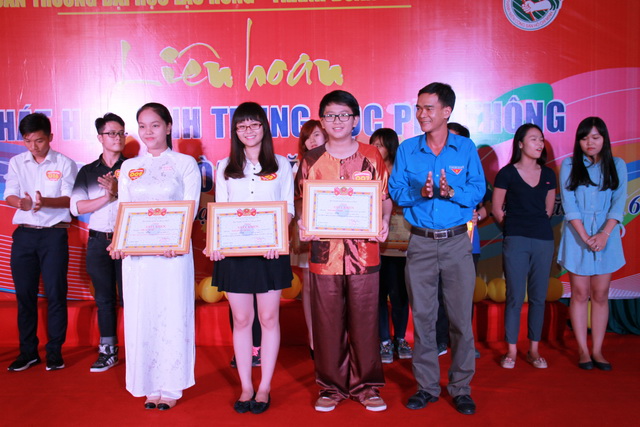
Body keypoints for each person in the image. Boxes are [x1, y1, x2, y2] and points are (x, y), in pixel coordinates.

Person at [388, 83, 484, 415]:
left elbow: (477, 190)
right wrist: (421, 191)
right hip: (421, 243)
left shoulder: (465, 148)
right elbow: (397, 191)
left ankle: (461, 388)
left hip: (457, 242)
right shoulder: (407, 149)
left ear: (446, 111)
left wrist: (451, 190)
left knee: (460, 319)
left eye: (428, 108)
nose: (421, 114)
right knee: (424, 318)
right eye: (418, 108)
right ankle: (427, 387)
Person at [295, 90, 392, 413]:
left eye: (344, 115)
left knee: (365, 321)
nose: (337, 121)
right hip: (325, 254)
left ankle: (366, 386)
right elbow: (301, 202)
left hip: (365, 252)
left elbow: (384, 199)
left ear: (355, 120)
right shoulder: (311, 160)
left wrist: (384, 221)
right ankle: (330, 387)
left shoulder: (371, 156)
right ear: (322, 121)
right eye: (330, 115)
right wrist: (302, 223)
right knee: (327, 323)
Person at [111, 103, 200, 410]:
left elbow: (190, 207)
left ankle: (171, 385)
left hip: (172, 254)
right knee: (142, 315)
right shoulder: (129, 167)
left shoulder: (185, 164)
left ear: (169, 127)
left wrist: (177, 239)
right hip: (137, 259)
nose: (148, 132)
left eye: (155, 125)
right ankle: (148, 384)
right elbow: (123, 209)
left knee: (172, 313)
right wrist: (119, 242)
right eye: (142, 126)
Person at [208, 102, 294, 415]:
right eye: (242, 126)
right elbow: (220, 211)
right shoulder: (225, 166)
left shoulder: (281, 164)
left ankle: (265, 386)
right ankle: (246, 386)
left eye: (254, 124)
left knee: (269, 318)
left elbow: (288, 208)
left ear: (264, 128)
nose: (248, 131)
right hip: (235, 255)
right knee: (242, 320)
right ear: (235, 131)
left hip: (270, 253)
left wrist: (276, 238)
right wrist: (217, 243)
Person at [5, 113, 78, 372]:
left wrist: (42, 202)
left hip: (53, 235)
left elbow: (70, 199)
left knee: (56, 294)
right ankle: (28, 353)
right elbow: (10, 194)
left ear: (50, 138)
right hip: (24, 235)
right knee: (24, 296)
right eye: (27, 141)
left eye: (39, 140)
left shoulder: (65, 163)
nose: (33, 146)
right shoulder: (17, 162)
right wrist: (21, 203)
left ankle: (55, 352)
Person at [557, 116, 627, 371]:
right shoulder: (569, 165)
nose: (590, 143)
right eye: (584, 138)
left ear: (604, 139)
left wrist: (604, 235)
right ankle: (583, 350)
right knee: (579, 293)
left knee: (600, 294)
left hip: (607, 236)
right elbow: (570, 205)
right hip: (578, 236)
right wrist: (586, 237)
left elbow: (619, 204)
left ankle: (597, 349)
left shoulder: (617, 165)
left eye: (595, 137)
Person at [491, 123, 556, 369]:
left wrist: (533, 225)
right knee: (515, 296)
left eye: (541, 139)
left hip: (543, 240)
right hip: (515, 239)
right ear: (520, 143)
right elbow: (497, 209)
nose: (539, 143)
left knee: (538, 296)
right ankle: (511, 350)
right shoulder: (507, 173)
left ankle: (534, 349)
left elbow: (549, 210)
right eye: (533, 139)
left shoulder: (548, 174)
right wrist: (513, 228)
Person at [70, 113, 126, 372]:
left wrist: (119, 190)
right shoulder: (87, 171)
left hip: (127, 242)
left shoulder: (134, 168)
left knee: (131, 298)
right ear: (100, 138)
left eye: (121, 133)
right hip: (97, 242)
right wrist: (108, 196)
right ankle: (108, 351)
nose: (117, 138)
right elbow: (77, 207)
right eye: (111, 133)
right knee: (104, 299)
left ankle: (138, 349)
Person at [435, 122, 485, 359]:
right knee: (438, 294)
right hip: (438, 240)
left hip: (468, 241)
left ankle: (464, 343)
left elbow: (488, 203)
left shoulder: (473, 170)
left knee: (463, 296)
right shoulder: (434, 168)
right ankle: (439, 340)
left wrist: (478, 215)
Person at [370, 128, 412, 364]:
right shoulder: (367, 171)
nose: (376, 148)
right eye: (373, 144)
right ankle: (384, 340)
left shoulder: (403, 171)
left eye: (381, 144)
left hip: (401, 244)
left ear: (391, 146)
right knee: (378, 295)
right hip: (375, 245)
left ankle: (401, 338)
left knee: (399, 295)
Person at [291, 119, 327, 359]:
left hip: (335, 234)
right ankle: (313, 338)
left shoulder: (338, 161)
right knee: (310, 285)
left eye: (316, 134)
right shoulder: (298, 167)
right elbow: (295, 201)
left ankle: (332, 336)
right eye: (307, 137)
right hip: (309, 232)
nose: (311, 141)